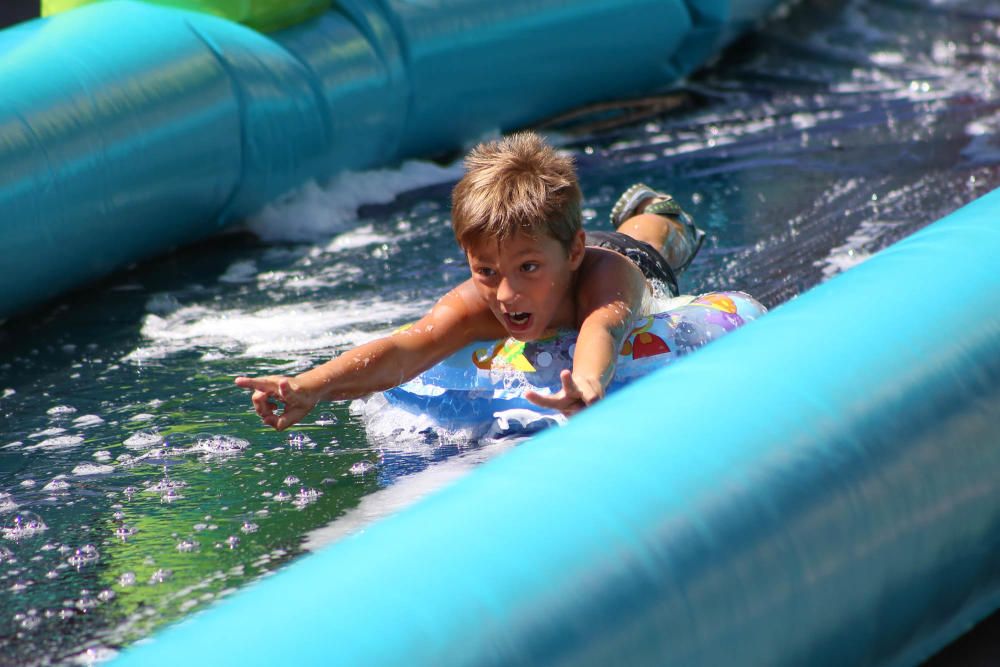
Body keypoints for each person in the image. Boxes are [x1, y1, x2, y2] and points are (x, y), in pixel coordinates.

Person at [235, 132, 703, 427]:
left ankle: (656, 210)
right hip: (556, 244)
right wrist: (311, 385)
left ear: (572, 253)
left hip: (627, 257)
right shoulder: (480, 302)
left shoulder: (605, 277)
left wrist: (584, 383)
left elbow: (602, 330)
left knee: (657, 236)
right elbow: (407, 346)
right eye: (486, 271)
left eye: (527, 271)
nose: (506, 293)